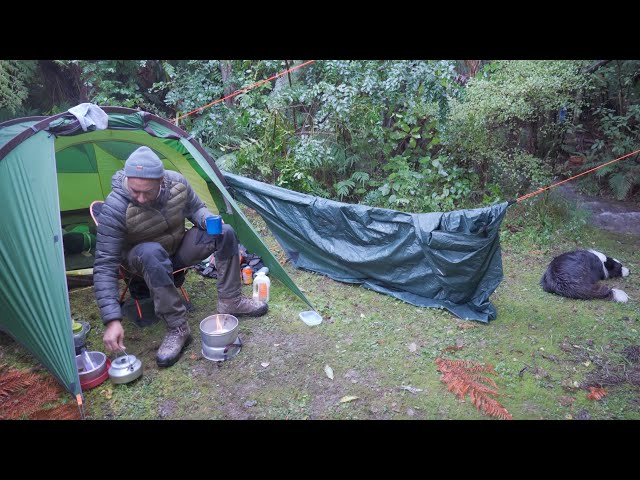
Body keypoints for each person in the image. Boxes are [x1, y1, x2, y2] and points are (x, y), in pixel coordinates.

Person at [93, 146, 267, 367]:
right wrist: (112, 319)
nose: (141, 198)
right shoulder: (115, 207)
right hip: (142, 261)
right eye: (135, 191)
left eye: (147, 192)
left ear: (161, 181)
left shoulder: (177, 184)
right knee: (151, 252)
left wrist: (208, 221)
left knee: (224, 232)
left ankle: (230, 301)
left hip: (176, 250)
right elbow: (104, 265)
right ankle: (177, 328)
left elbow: (196, 209)